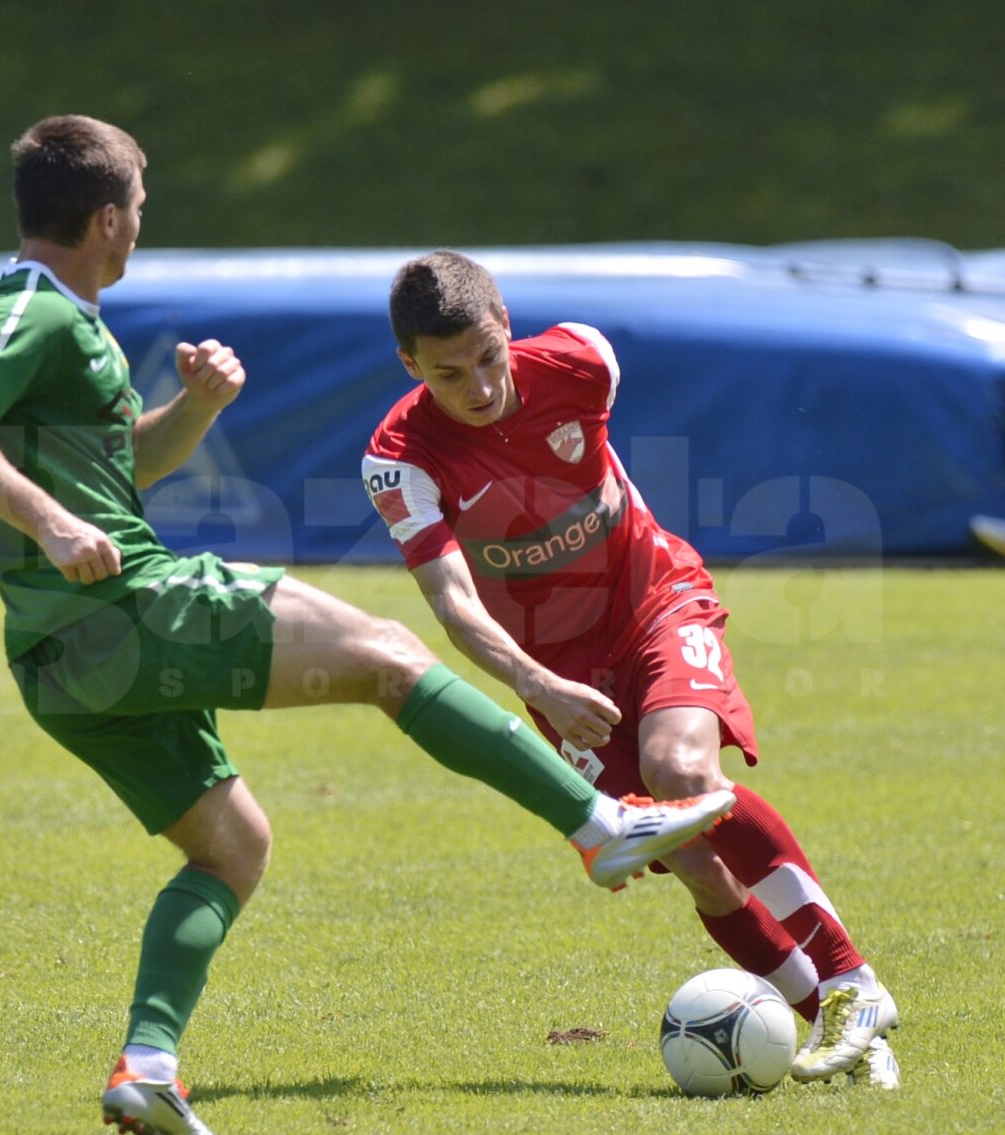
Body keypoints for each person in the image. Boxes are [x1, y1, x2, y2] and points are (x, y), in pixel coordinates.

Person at [0, 118, 735, 1135]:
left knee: (232, 848)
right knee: (388, 657)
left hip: (60, 662)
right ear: (108, 216)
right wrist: (52, 520)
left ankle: (147, 1068)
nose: (144, 224)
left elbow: (125, 473)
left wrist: (195, 408)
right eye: (143, 205)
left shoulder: (75, 321)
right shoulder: (33, 305)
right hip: (126, 608)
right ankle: (601, 827)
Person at [363, 250, 901, 1089]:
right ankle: (846, 1030)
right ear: (409, 365)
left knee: (680, 770)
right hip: (556, 670)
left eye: (488, 358)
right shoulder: (399, 460)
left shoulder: (583, 361)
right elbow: (453, 603)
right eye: (448, 373)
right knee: (693, 860)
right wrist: (534, 682)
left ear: (508, 329)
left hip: (654, 600)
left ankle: (852, 981)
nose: (478, 387)